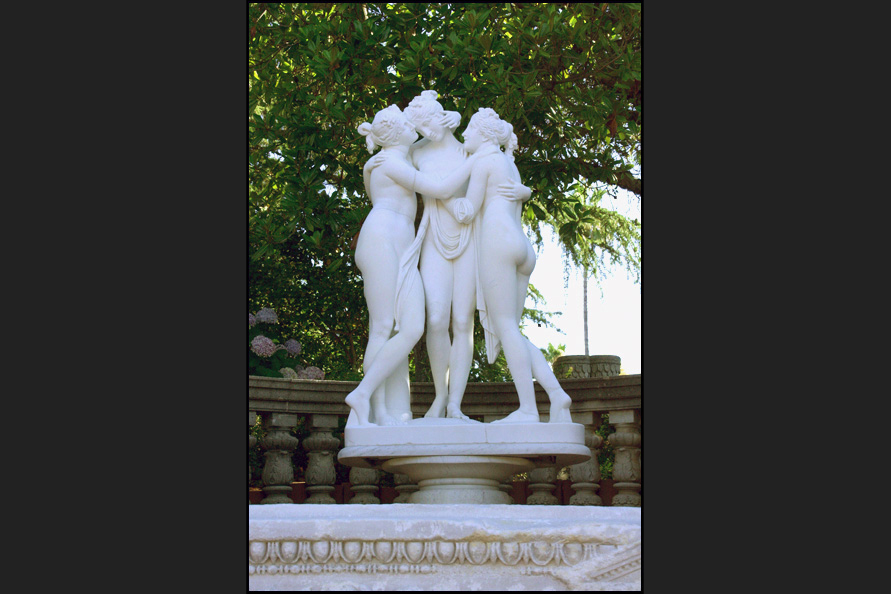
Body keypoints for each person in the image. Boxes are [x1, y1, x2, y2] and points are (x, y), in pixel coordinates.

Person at [346, 105, 483, 427]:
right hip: (381, 240)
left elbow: (430, 137)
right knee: (383, 326)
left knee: (410, 327)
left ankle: (379, 403)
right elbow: (442, 189)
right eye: (409, 125)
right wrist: (481, 156)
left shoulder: (396, 158)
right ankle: (374, 408)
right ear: (397, 134)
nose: (415, 128)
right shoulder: (391, 162)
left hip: (401, 245)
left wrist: (454, 121)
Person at [401, 91, 528, 420]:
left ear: (440, 117)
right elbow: (394, 161)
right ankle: (440, 396)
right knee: (436, 319)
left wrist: (524, 192)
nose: (424, 130)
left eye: (427, 122)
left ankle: (455, 403)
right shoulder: (415, 153)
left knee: (462, 321)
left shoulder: (469, 150)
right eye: (419, 126)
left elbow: (500, 184)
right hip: (435, 237)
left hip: (470, 239)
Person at [460, 107, 573, 424]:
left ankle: (528, 409)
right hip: (522, 247)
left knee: (507, 327)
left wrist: (439, 197)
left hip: (498, 242)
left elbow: (468, 209)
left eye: (469, 129)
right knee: (512, 330)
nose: (464, 134)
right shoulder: (508, 162)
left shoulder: (484, 161)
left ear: (483, 135)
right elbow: (519, 195)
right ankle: (556, 394)